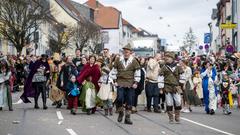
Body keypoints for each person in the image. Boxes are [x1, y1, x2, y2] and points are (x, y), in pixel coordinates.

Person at [110, 43, 141, 125]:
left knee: (129, 100)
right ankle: (121, 112)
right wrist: (114, 81)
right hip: (120, 81)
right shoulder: (118, 60)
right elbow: (113, 71)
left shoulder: (134, 61)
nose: (126, 53)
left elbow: (138, 72)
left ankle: (127, 117)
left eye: (127, 52)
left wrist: (136, 82)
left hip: (130, 82)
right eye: (124, 52)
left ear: (130, 52)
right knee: (120, 98)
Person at [159, 52, 184, 124]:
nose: (166, 58)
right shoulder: (164, 67)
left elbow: (182, 76)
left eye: (168, 57)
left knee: (178, 101)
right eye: (166, 57)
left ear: (172, 58)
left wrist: (181, 85)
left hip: (176, 87)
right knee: (169, 102)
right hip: (167, 87)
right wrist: (161, 88)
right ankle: (170, 118)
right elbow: (160, 77)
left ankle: (177, 116)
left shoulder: (178, 66)